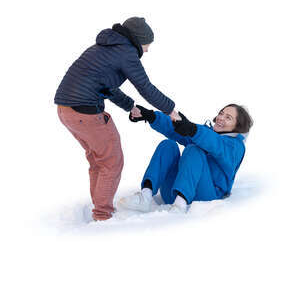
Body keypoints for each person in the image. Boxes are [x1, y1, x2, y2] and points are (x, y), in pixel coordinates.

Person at [55, 17, 180, 221]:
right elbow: (145, 87)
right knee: (112, 162)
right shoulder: (127, 52)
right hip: (85, 112)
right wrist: (171, 110)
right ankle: (103, 215)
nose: (147, 51)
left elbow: (105, 87)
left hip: (66, 111)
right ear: (138, 40)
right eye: (147, 45)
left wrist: (130, 106)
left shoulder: (105, 48)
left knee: (98, 160)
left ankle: (99, 208)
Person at [119, 104, 253, 213]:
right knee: (168, 145)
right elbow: (176, 129)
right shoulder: (206, 133)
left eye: (228, 117)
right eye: (221, 113)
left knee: (193, 149)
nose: (221, 118)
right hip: (173, 192)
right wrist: (152, 116)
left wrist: (193, 129)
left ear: (238, 126)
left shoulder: (236, 147)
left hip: (205, 197)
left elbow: (215, 144)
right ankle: (146, 196)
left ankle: (179, 207)